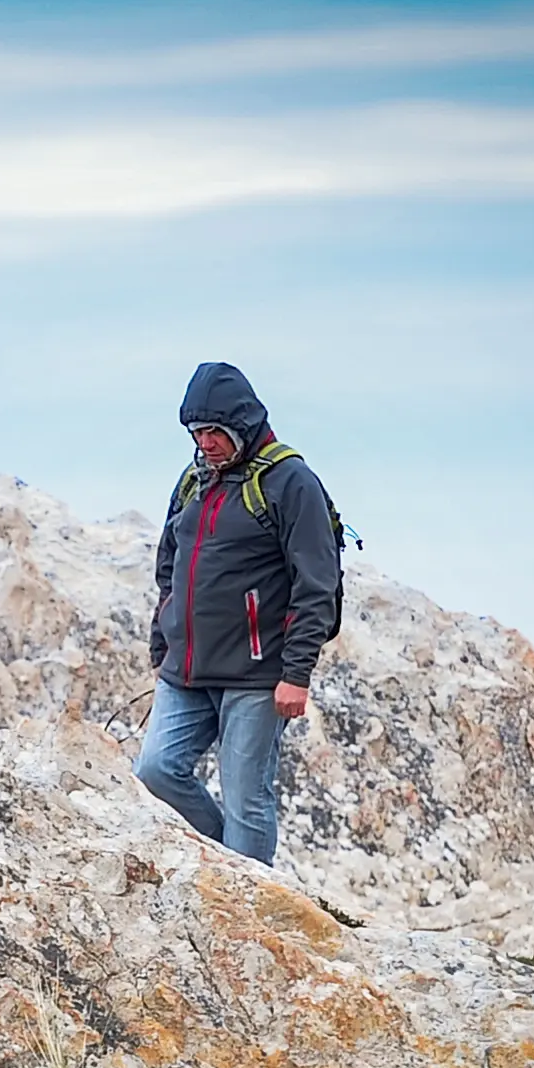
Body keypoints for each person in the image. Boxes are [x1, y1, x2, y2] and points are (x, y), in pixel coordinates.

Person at [134, 361, 339, 865]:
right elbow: (169, 561)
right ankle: (232, 864)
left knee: (247, 801)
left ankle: (247, 902)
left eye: (213, 432)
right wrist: (164, 641)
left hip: (257, 675)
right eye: (196, 432)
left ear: (241, 425)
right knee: (156, 771)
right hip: (186, 671)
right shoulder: (193, 480)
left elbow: (318, 585)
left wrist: (296, 674)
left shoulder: (291, 482)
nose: (204, 442)